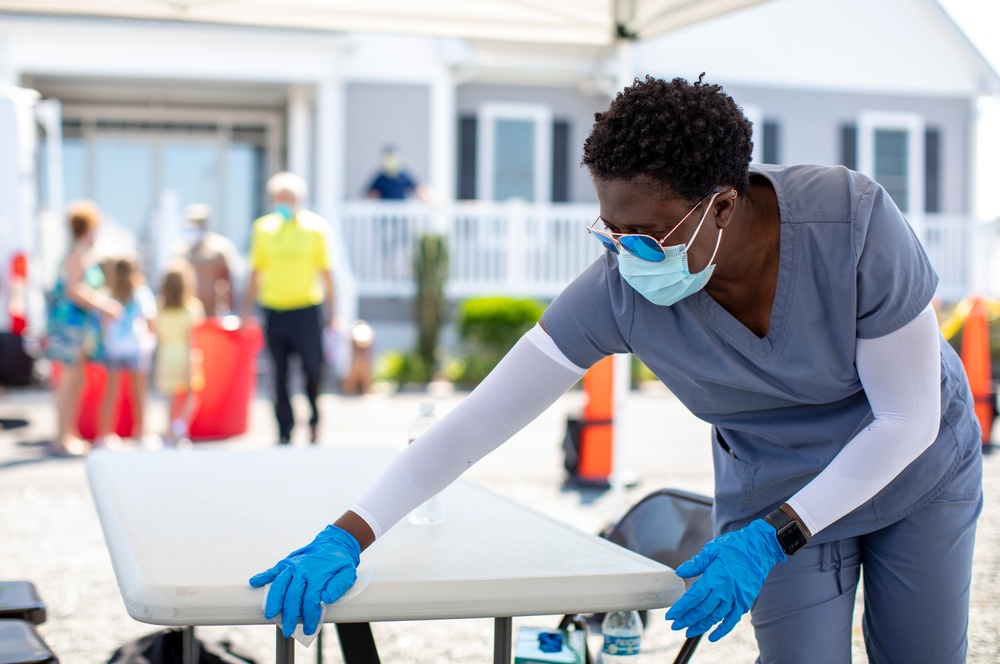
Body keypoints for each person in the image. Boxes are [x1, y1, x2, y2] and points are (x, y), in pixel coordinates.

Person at [250, 75, 983, 664]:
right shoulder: (618, 291)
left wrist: (774, 538)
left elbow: (906, 419)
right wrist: (348, 533)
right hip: (774, 485)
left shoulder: (851, 222)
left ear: (720, 206)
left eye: (645, 231)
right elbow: (477, 420)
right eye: (610, 225)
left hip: (916, 472)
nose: (623, 249)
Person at [240, 171, 337, 445]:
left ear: (299, 200)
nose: (283, 204)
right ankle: (284, 429)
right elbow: (256, 272)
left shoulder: (316, 229)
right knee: (278, 374)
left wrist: (334, 313)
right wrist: (245, 311)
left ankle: (314, 419)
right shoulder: (263, 229)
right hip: (275, 310)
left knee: (313, 370)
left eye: (288, 199)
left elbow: (327, 273)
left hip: (307, 310)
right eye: (278, 199)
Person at [44, 201, 123, 455]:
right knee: (69, 379)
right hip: (72, 327)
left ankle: (68, 433)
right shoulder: (77, 253)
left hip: (79, 327)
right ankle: (62, 437)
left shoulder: (79, 252)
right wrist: (104, 304)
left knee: (75, 379)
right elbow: (74, 289)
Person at [96, 256, 157, 447]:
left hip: (114, 348)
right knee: (139, 393)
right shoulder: (142, 293)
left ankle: (106, 434)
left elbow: (103, 323)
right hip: (136, 348)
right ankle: (142, 432)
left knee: (111, 392)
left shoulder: (107, 293)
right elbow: (150, 321)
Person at [154, 259, 206, 446]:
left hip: (166, 356)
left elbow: (156, 332)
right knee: (191, 395)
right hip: (185, 354)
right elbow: (192, 337)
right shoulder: (192, 308)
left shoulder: (160, 308)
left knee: (170, 398)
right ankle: (179, 426)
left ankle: (170, 431)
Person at [178, 203, 240, 317]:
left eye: (198, 222)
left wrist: (230, 310)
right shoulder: (181, 251)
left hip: (212, 312)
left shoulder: (219, 249)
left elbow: (228, 282)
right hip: (187, 314)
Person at [365, 145, 431, 201]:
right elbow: (370, 195)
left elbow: (420, 190)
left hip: (401, 212)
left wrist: (433, 201)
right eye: (387, 158)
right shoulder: (380, 178)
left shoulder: (404, 176)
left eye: (392, 158)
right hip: (385, 212)